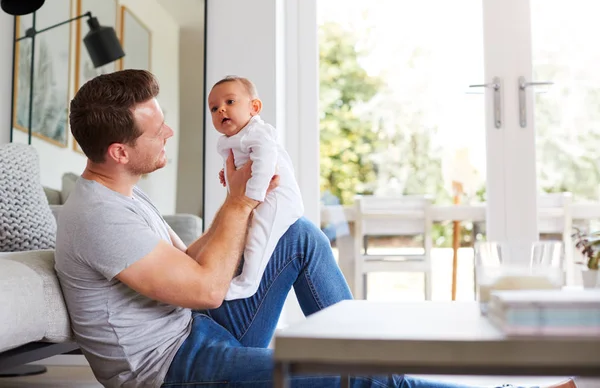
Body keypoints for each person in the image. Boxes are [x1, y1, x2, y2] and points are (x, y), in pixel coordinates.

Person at [54, 69, 576, 388]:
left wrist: (240, 204)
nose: (170, 130)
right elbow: (209, 290)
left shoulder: (122, 193)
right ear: (119, 151)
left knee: (300, 234)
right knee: (361, 381)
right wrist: (242, 200)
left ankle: (352, 345)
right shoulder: (99, 216)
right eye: (156, 127)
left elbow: (188, 267)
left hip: (195, 330)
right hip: (171, 369)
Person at [209, 75, 304, 300]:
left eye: (230, 102)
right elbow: (239, 163)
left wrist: (251, 197)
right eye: (214, 108)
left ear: (254, 107)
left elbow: (265, 164)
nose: (221, 110)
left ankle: (247, 284)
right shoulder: (230, 139)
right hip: (256, 197)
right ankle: (235, 271)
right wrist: (227, 174)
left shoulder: (258, 133)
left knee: (259, 236)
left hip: (276, 197)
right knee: (244, 234)